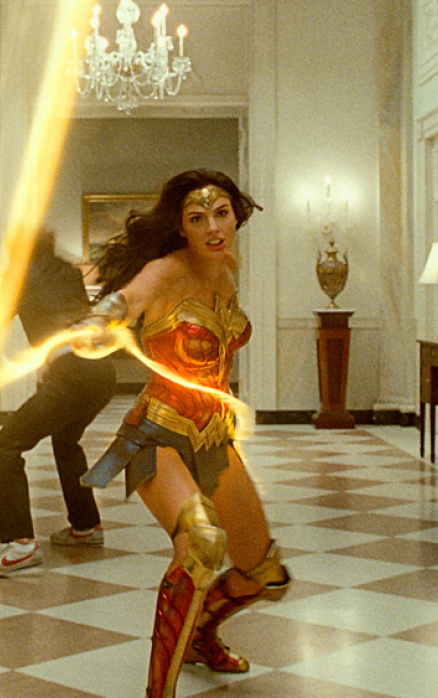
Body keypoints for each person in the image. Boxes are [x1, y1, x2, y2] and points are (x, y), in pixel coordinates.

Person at [74, 170, 291, 698]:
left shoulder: (227, 268)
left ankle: (199, 636)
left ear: (236, 215)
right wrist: (100, 321)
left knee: (265, 573)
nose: (213, 228)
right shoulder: (164, 271)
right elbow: (129, 298)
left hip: (213, 437)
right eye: (197, 218)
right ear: (181, 227)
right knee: (200, 545)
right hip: (159, 435)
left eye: (221, 214)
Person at [0, 231, 117, 577]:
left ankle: (22, 545)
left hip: (73, 374)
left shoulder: (19, 276)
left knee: (4, 447)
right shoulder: (67, 272)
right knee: (66, 441)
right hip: (102, 371)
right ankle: (86, 526)